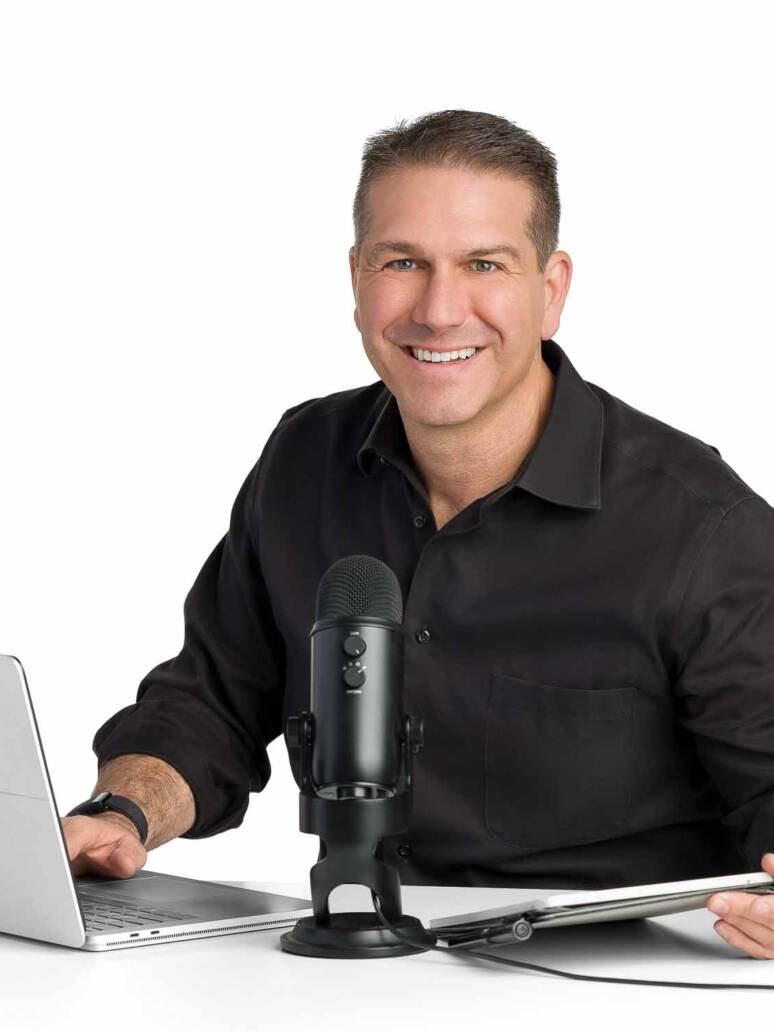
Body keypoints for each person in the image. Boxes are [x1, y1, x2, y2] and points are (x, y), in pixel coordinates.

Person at [62, 109, 774, 960]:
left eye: (484, 264)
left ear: (551, 290)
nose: (439, 310)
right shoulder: (303, 460)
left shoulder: (700, 524)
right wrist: (122, 815)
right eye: (403, 262)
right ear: (357, 278)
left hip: (611, 978)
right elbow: (212, 702)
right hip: (354, 963)